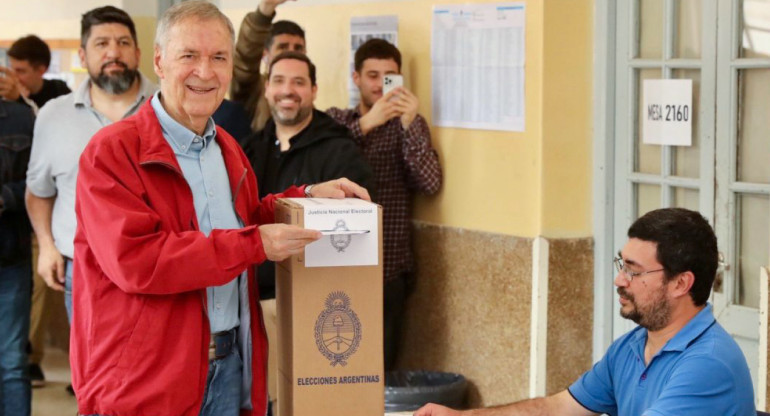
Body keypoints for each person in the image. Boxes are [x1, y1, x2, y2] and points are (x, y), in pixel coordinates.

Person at [70, 3, 369, 416]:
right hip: (146, 379)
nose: (205, 72)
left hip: (230, 366)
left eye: (218, 58)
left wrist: (308, 197)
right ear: (159, 60)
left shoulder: (226, 146)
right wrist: (254, 244)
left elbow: (242, 222)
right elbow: (138, 261)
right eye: (189, 55)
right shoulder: (112, 153)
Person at [415, 208, 755, 416]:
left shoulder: (709, 364)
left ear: (681, 283)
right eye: (622, 264)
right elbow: (558, 409)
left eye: (634, 271)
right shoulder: (632, 347)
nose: (619, 279)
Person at [24, 5, 156, 395]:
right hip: (82, 273)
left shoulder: (169, 108)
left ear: (137, 53)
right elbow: (39, 192)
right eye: (101, 44)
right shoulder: (53, 115)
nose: (113, 52)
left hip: (160, 271)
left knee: (155, 383)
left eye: (122, 43)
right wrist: (47, 246)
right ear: (83, 56)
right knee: (96, 381)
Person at [243, 50, 374, 412]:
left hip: (313, 305)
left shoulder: (340, 152)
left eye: (299, 82)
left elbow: (357, 231)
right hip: (255, 303)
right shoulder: (249, 150)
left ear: (314, 90)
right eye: (280, 81)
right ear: (267, 89)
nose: (289, 90)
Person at [327, 38, 442, 370]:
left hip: (388, 269)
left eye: (389, 76)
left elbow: (431, 184)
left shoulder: (409, 126)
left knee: (382, 367)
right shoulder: (336, 121)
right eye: (372, 75)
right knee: (336, 363)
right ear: (356, 78)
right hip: (336, 264)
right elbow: (324, 163)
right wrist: (367, 124)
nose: (380, 85)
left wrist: (409, 125)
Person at [2, 34, 72, 389]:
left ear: (41, 70)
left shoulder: (59, 95)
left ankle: (32, 358)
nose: (16, 77)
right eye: (11, 70)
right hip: (26, 219)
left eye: (22, 71)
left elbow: (52, 135)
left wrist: (21, 102)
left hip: (52, 217)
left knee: (44, 288)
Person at [0, 98, 35, 416]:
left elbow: (39, 183)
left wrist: (5, 196)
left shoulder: (23, 119)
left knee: (11, 361)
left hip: (10, 257)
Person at [231, 0, 306, 133]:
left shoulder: (308, 89)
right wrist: (265, 9)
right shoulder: (255, 89)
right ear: (266, 54)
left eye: (298, 48)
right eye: (282, 47)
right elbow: (245, 61)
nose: (291, 53)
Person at [0, 35, 71, 111]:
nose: (13, 76)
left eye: (20, 71)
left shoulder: (59, 92)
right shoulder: (5, 94)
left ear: (41, 70)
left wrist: (21, 100)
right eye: (11, 68)